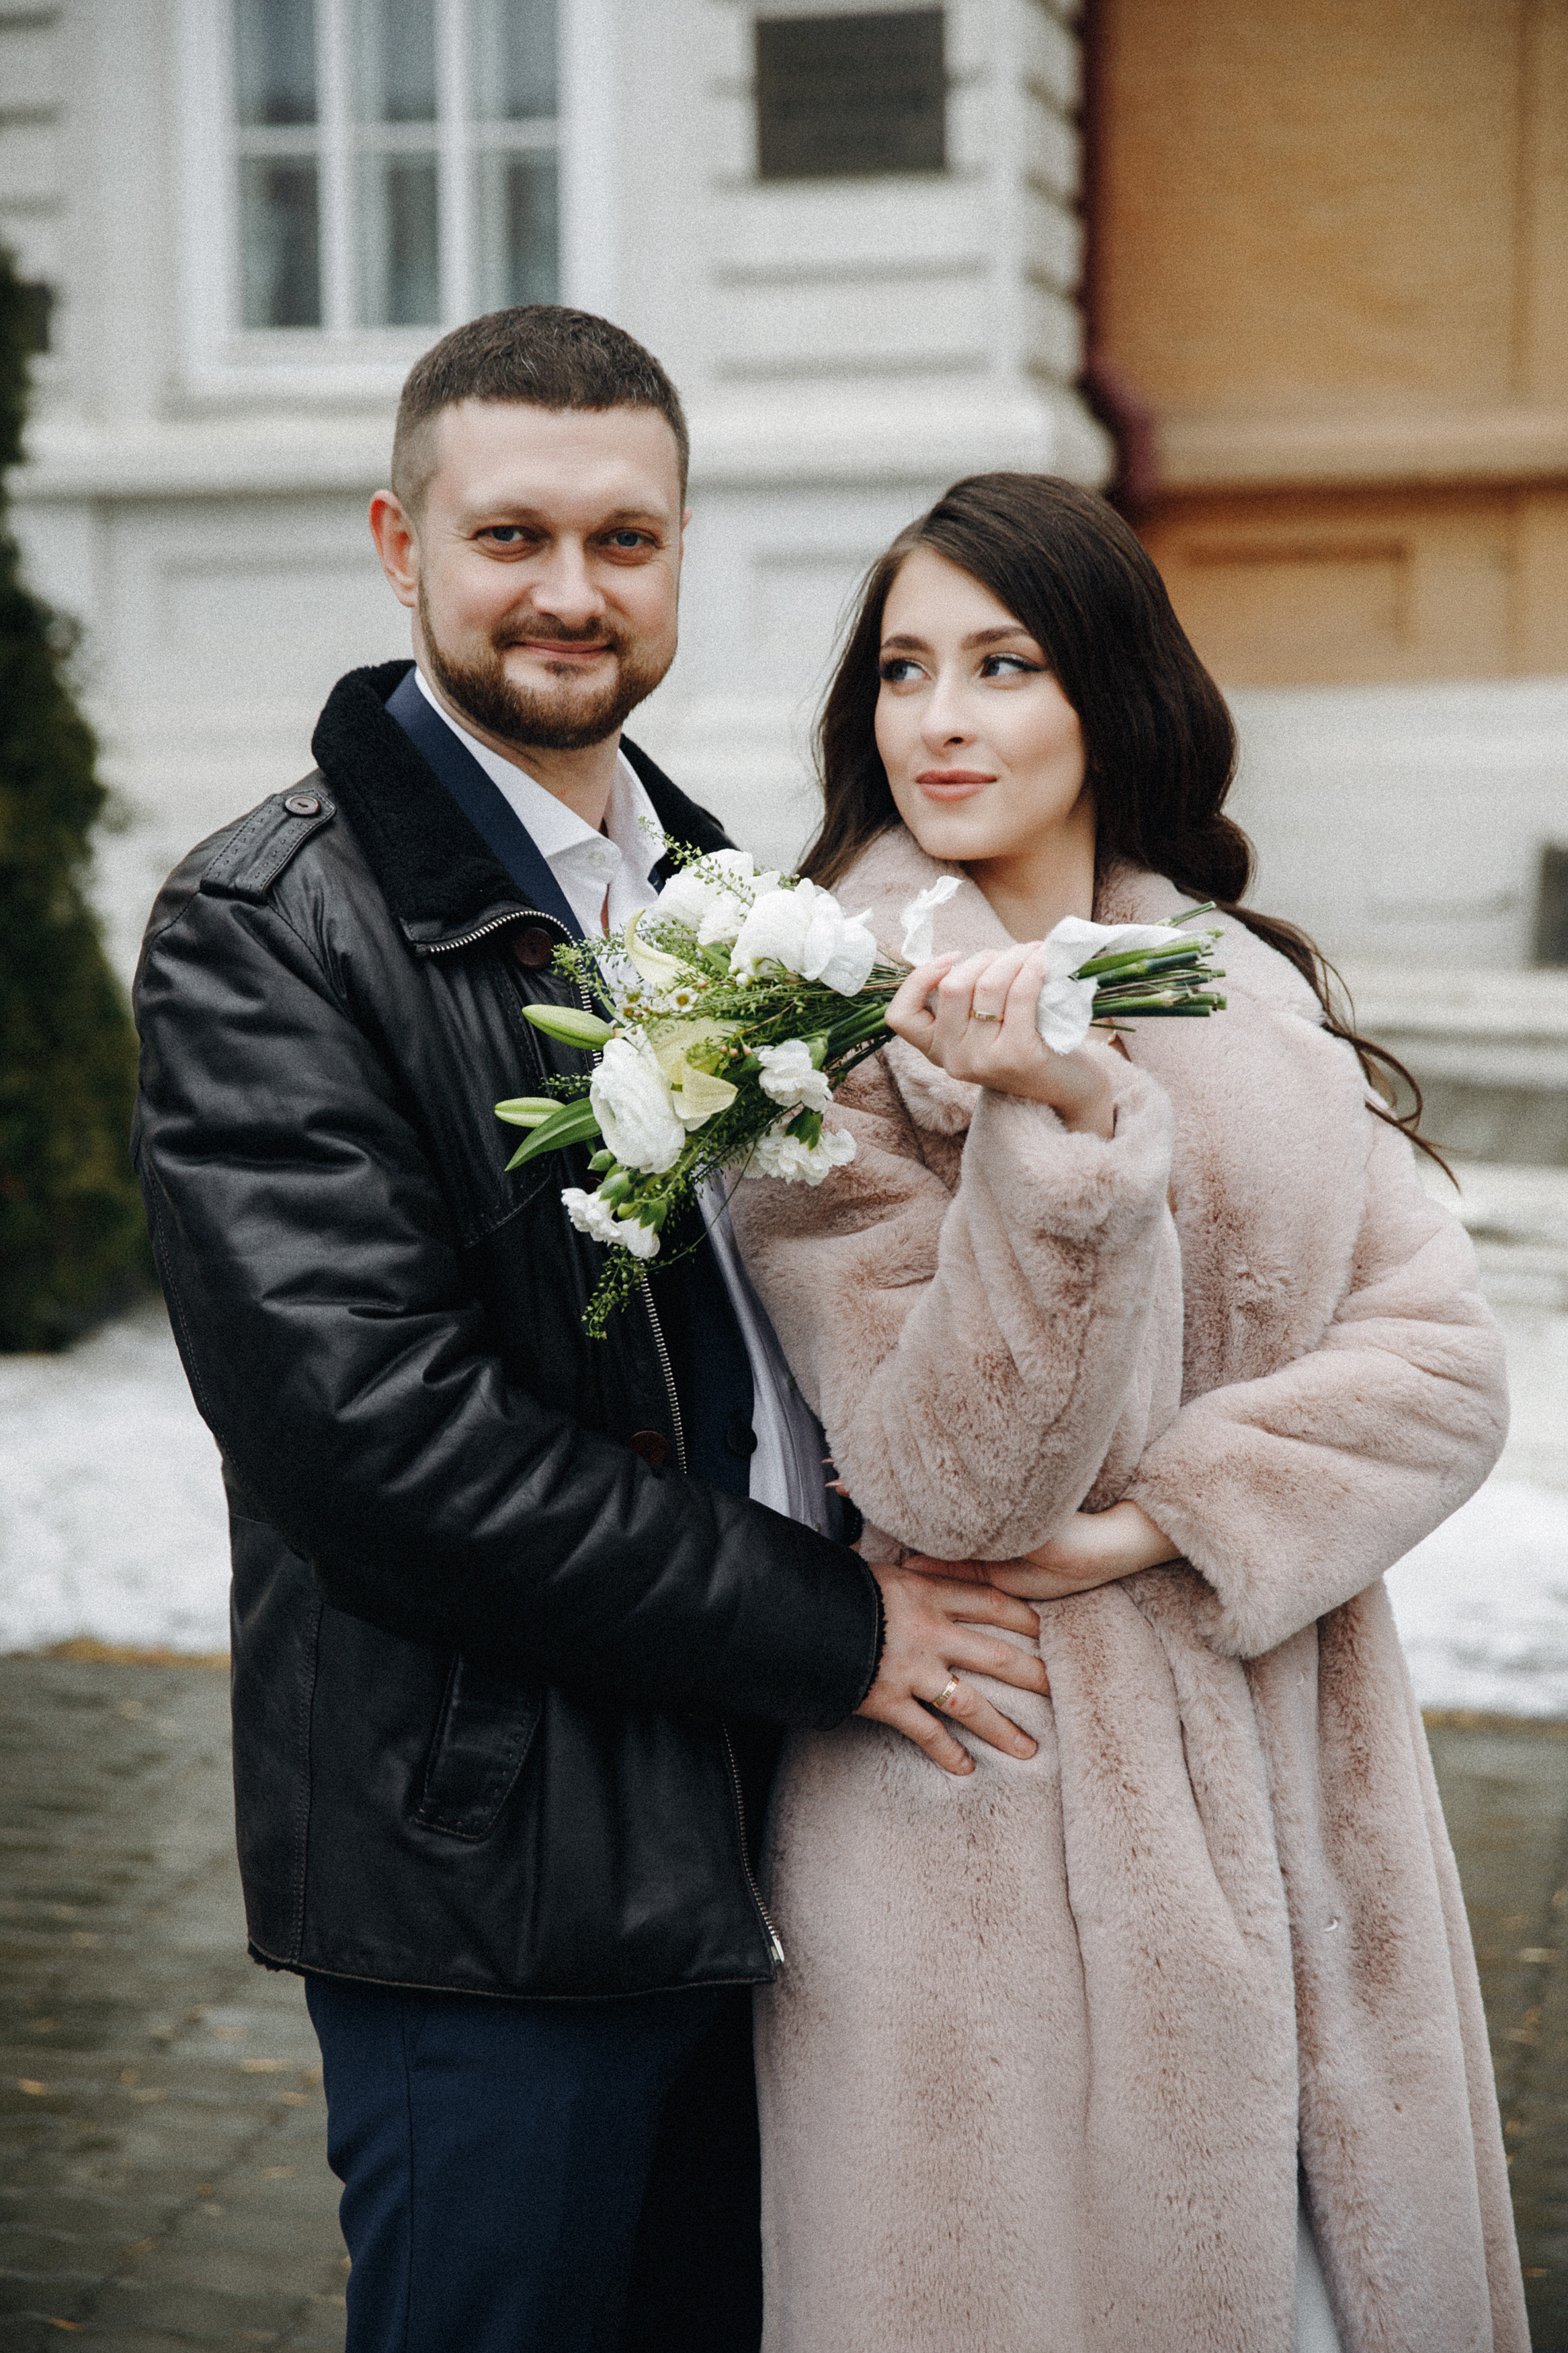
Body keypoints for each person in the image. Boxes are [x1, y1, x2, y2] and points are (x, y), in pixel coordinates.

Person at [129, 313, 1050, 2353]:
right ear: (401, 541)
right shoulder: (271, 921)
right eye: (512, 534)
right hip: (495, 1851)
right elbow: (377, 1443)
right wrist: (843, 1624)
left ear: (682, 551)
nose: (571, 590)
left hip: (770, 1807)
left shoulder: (734, 894)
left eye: (625, 539)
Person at [730, 473, 1529, 2353]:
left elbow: (1446, 1363)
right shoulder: (821, 1033)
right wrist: (1054, 1131)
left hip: (1310, 1801)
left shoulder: (1246, 991)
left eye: (1001, 665)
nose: (939, 716)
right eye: (905, 668)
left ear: (1104, 694)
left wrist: (1165, 1515)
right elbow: (946, 1472)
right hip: (997, 1814)